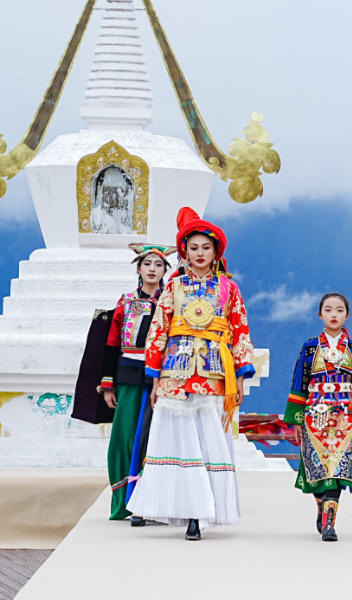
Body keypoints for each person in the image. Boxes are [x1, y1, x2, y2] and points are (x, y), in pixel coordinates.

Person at [127, 207, 256, 541]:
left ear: (216, 252)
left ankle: (202, 512)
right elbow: (158, 330)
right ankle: (186, 509)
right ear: (184, 251)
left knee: (207, 441)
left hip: (214, 373)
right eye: (194, 247)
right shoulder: (173, 287)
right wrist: (155, 379)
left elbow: (240, 331)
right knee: (178, 442)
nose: (199, 253)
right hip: (176, 373)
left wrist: (241, 377)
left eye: (205, 248)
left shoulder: (229, 288)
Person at [100, 243, 174, 523]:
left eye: (158, 264)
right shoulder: (126, 302)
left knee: (157, 437)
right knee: (126, 436)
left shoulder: (172, 303)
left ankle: (154, 502)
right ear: (139, 269)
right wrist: (108, 384)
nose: (153, 269)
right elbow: (111, 344)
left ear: (165, 271)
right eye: (148, 264)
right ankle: (126, 501)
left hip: (163, 378)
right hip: (129, 375)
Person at [285, 293, 352, 542]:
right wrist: (296, 418)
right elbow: (299, 382)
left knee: (337, 469)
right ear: (320, 315)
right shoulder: (310, 347)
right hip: (315, 415)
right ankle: (322, 506)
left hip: (346, 416)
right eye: (328, 310)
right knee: (318, 467)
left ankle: (330, 523)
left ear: (347, 315)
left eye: (339, 310)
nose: (334, 314)